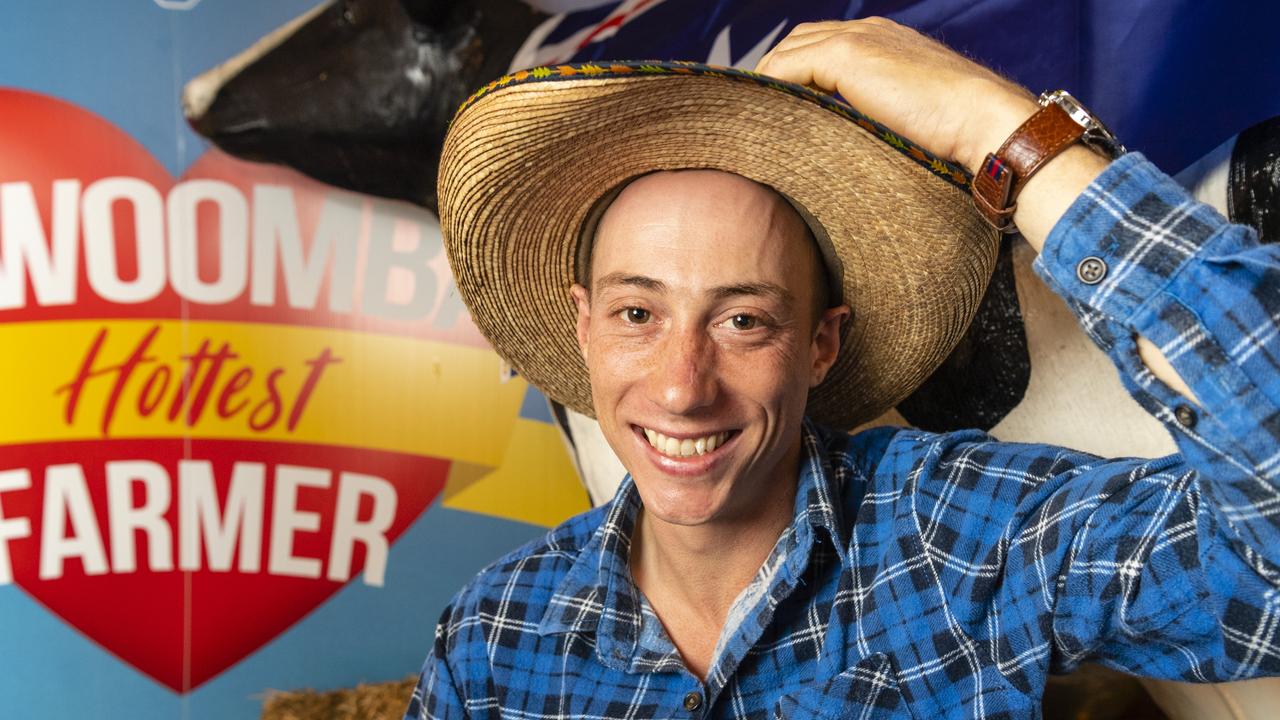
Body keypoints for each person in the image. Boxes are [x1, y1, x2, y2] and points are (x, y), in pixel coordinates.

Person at [407, 18, 1280, 719]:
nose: (681, 386)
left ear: (821, 345)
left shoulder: (964, 537)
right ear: (584, 326)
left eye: (744, 321)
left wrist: (1006, 131)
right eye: (638, 314)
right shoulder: (493, 642)